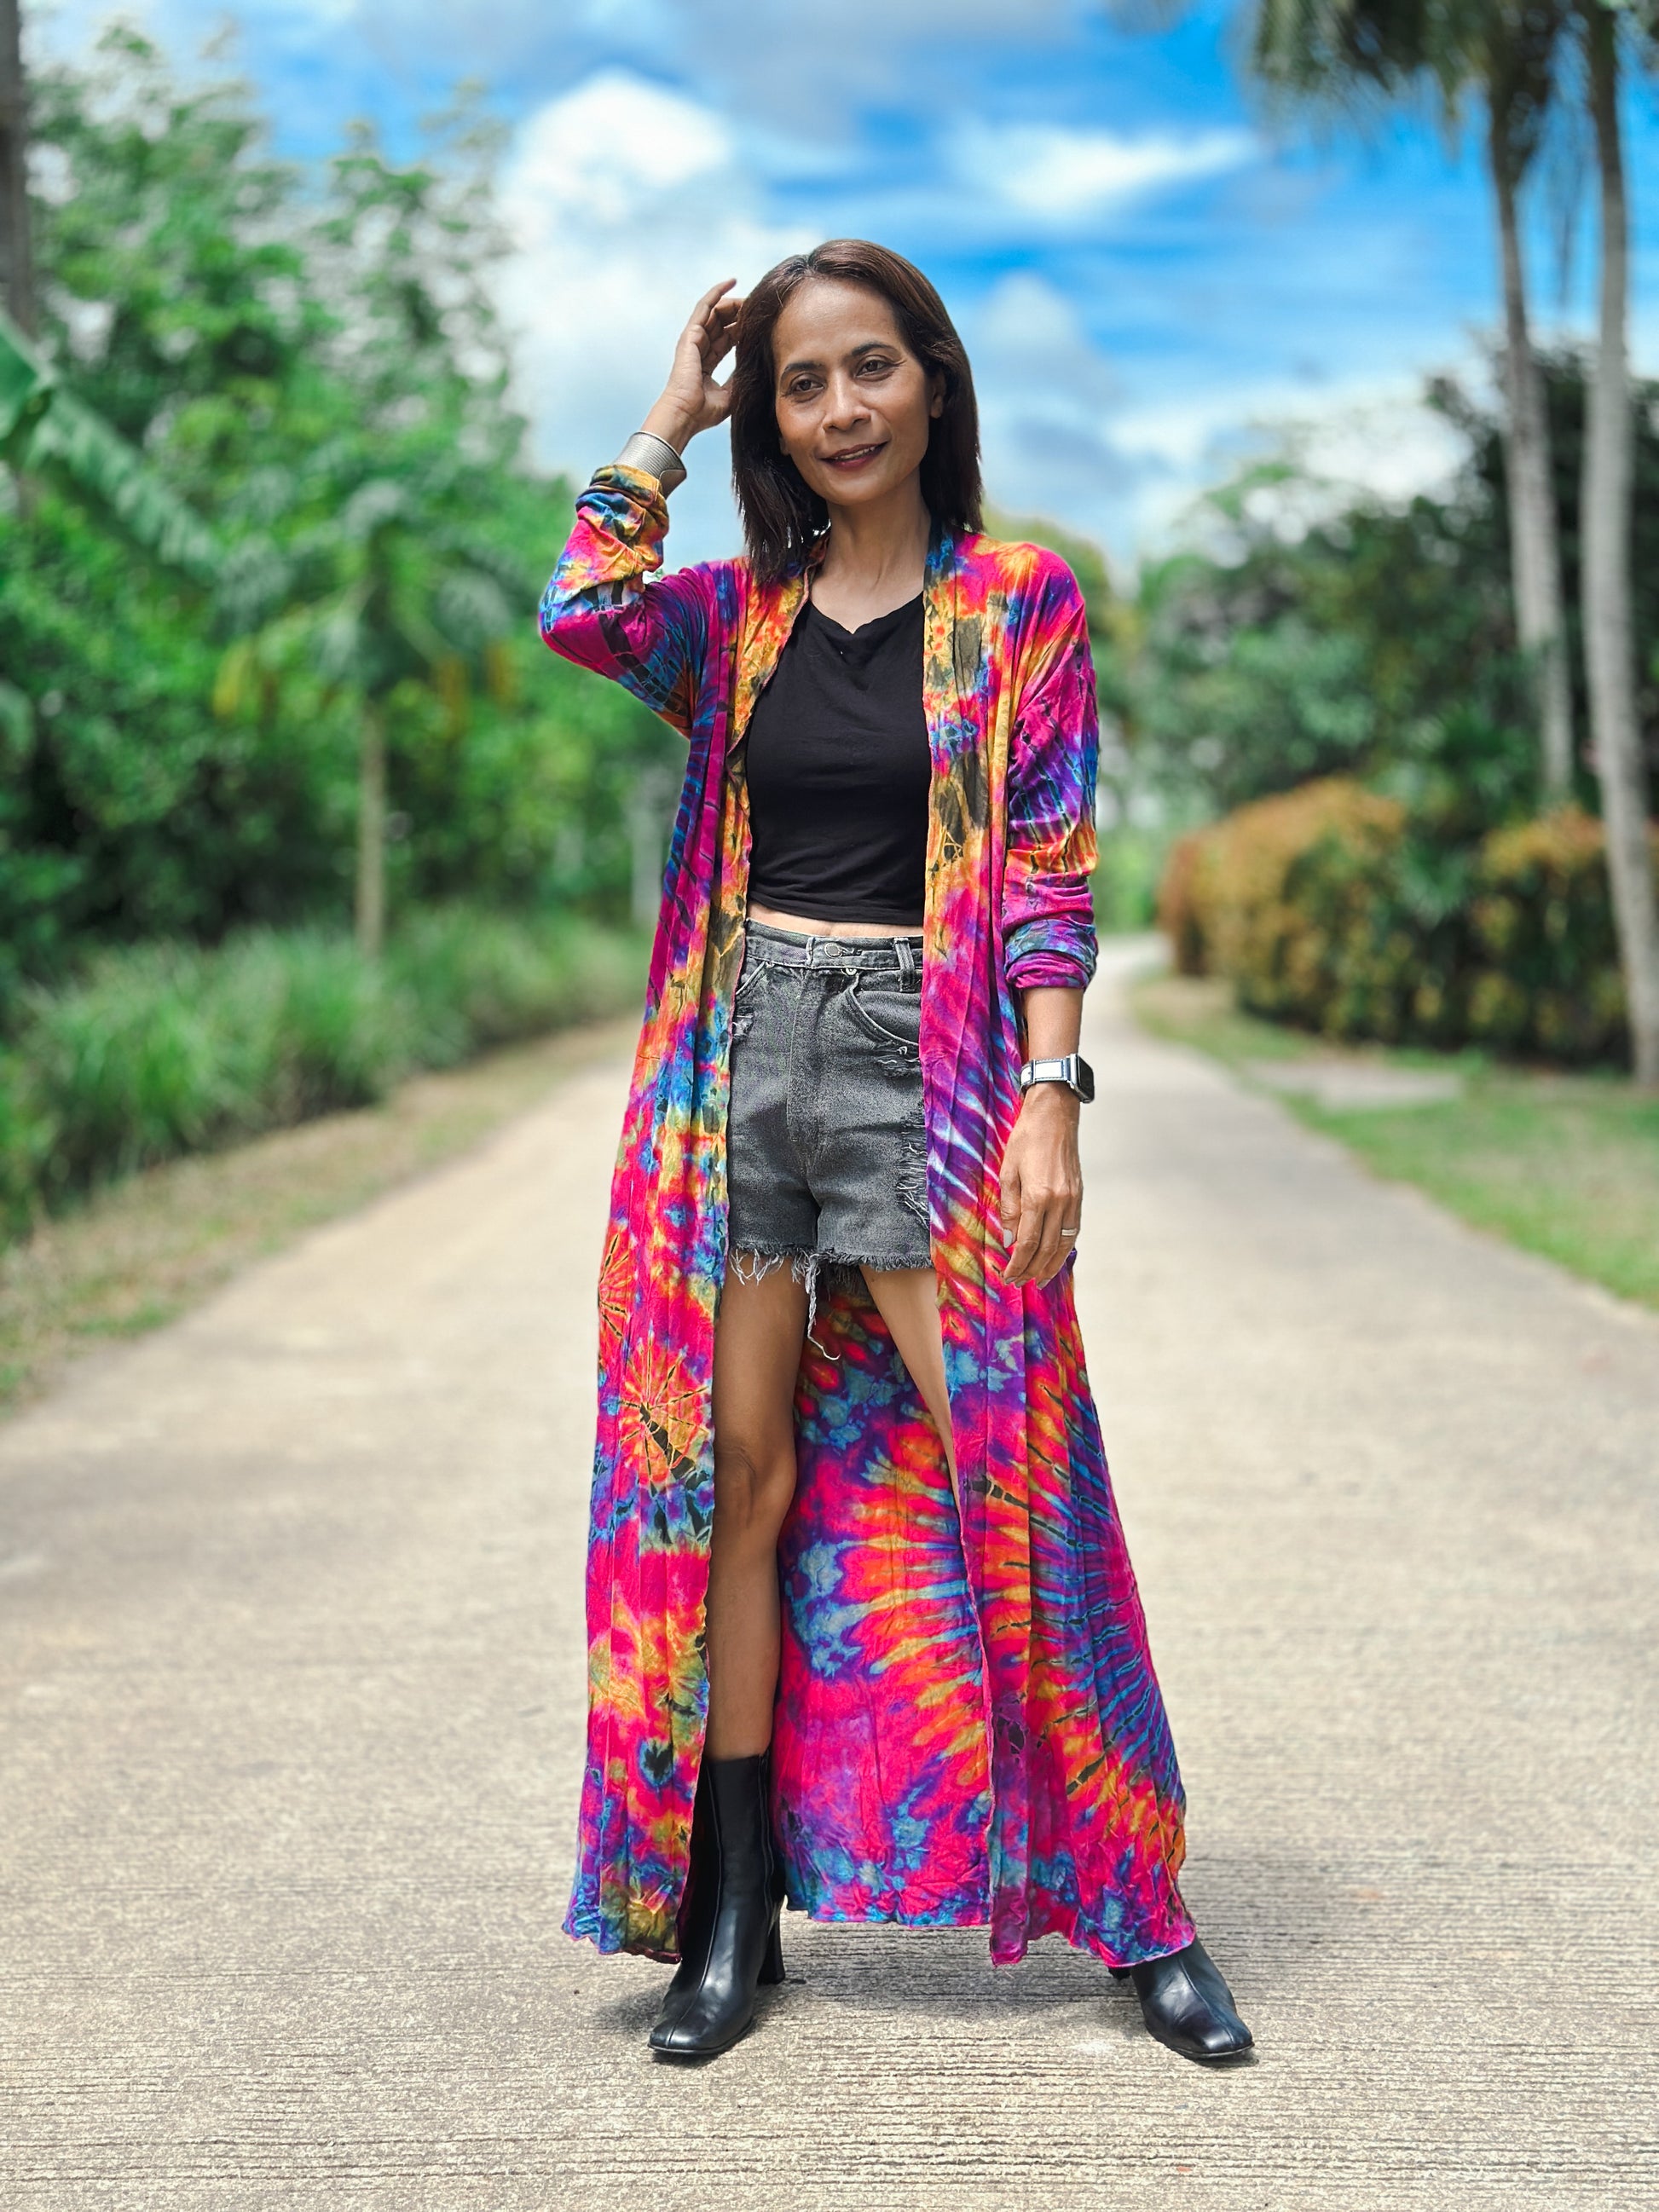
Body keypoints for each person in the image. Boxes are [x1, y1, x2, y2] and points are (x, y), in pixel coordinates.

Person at [539, 240, 1252, 2069]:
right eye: (801, 381)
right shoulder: (737, 618)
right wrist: (667, 419)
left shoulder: (1019, 604)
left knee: (1017, 1464)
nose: (839, 406)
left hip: (917, 1081)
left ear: (929, 379)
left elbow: (1045, 872)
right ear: (771, 413)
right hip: (738, 1074)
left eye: (870, 367)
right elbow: (585, 609)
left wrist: (1049, 1092)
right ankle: (728, 1915)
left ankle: (1137, 1902)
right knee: (743, 1489)